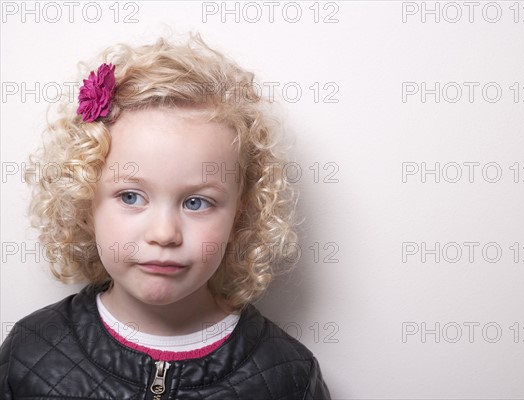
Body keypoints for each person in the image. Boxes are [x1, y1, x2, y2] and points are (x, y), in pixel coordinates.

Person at [0, 33, 330, 399]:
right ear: (84, 202)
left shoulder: (288, 376)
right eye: (130, 196)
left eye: (196, 203)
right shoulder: (31, 353)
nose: (164, 233)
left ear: (242, 214)